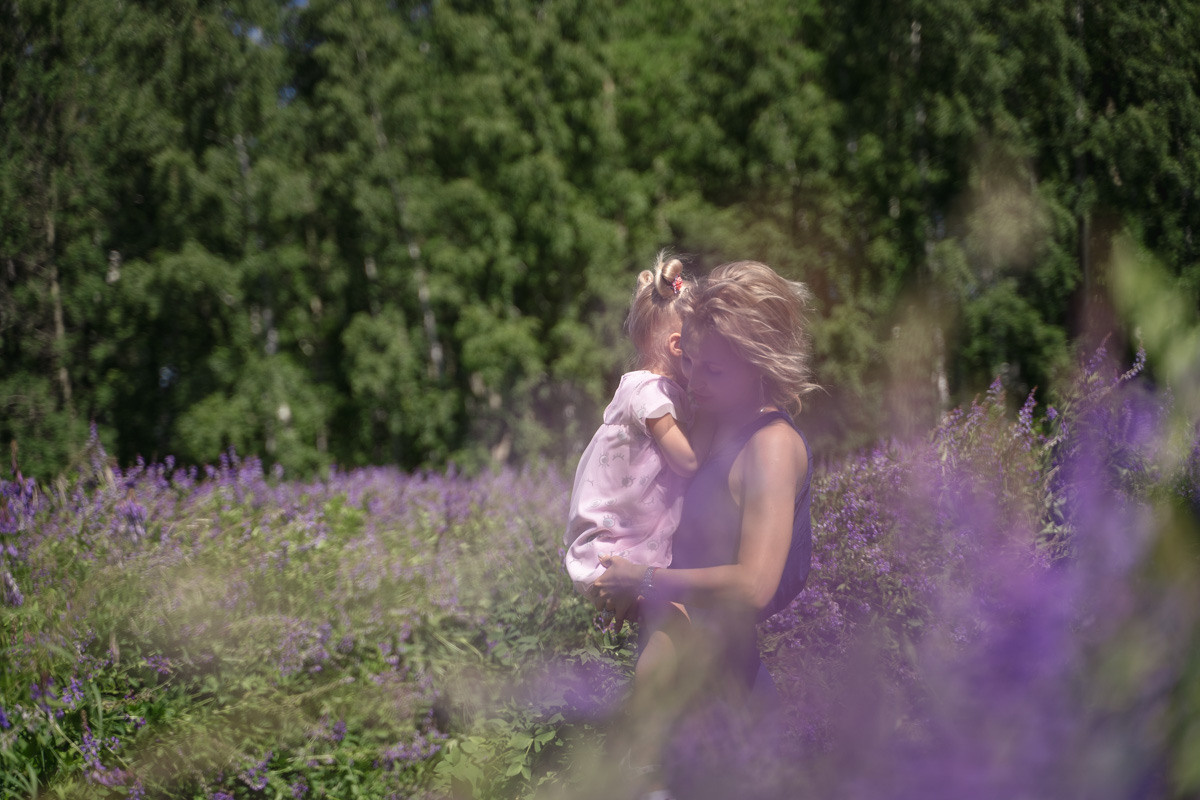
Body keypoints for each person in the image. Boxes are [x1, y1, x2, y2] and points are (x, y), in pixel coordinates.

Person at [592, 259, 816, 800]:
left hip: (730, 708)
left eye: (713, 370)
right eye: (691, 361)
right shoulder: (713, 421)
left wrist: (644, 580)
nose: (694, 379)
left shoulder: (772, 447)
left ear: (758, 364)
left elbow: (755, 583)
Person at [563, 255, 706, 614]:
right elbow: (686, 462)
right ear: (678, 347)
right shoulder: (651, 394)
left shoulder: (651, 390)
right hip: (613, 550)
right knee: (679, 617)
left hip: (628, 542)